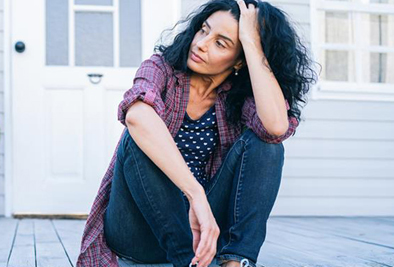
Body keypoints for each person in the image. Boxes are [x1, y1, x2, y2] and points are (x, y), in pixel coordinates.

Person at [75, 0, 319, 267]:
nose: (201, 43)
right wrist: (195, 194)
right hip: (138, 231)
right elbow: (136, 116)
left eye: (220, 43)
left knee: (268, 146)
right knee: (139, 132)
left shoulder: (239, 98)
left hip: (199, 229)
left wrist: (251, 42)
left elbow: (275, 127)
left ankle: (235, 261)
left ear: (240, 61)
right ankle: (186, 261)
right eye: (204, 30)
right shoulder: (162, 69)